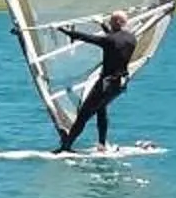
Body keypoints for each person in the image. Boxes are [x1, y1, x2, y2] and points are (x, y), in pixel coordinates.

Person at [51, 10, 137, 151]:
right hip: (118, 86)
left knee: (83, 116)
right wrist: (102, 24)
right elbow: (114, 38)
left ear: (117, 22)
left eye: (111, 21)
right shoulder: (132, 39)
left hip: (105, 85)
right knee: (101, 109)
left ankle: (66, 147)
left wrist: (61, 29)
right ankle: (102, 144)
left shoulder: (109, 40)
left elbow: (84, 37)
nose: (109, 23)